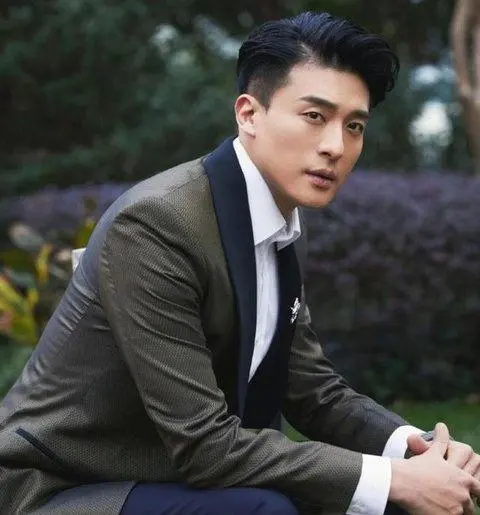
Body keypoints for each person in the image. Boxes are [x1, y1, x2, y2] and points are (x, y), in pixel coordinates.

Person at [0, 11, 479, 515]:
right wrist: (391, 479)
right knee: (266, 509)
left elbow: (313, 392)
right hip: (58, 487)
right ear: (248, 114)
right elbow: (205, 446)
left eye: (354, 125)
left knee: (394, 499)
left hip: (168, 476)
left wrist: (419, 450)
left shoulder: (279, 221)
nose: (336, 146)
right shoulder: (157, 225)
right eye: (314, 116)